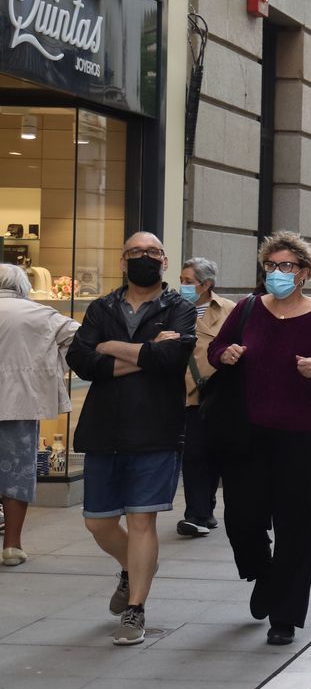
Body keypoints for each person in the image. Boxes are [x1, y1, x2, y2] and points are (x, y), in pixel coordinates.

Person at [210, 231, 311, 646]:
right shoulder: (248, 309)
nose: (277, 273)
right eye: (271, 266)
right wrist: (225, 355)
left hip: (306, 437)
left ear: (305, 273)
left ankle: (285, 615)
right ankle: (265, 572)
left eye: (287, 266)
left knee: (301, 527)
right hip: (249, 434)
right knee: (241, 518)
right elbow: (216, 349)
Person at [66, 232, 197, 645]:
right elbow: (83, 361)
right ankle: (136, 567)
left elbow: (171, 358)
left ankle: (135, 608)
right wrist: (142, 353)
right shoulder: (101, 307)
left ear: (164, 260)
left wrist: (113, 348)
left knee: (142, 520)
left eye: (153, 252)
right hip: (104, 427)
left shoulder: (179, 308)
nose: (145, 258)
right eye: (136, 252)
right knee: (98, 523)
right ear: (123, 261)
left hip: (155, 428)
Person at [0, 263, 78, 567]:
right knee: (17, 475)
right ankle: (12, 546)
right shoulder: (41, 314)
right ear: (22, 286)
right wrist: (51, 367)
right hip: (20, 404)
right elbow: (78, 340)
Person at [177, 257, 235, 537]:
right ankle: (196, 514)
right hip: (186, 393)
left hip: (220, 393)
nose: (183, 286)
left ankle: (207, 509)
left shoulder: (229, 310)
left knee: (213, 453)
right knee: (194, 454)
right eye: (182, 280)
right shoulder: (172, 310)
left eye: (188, 282)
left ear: (206, 284)